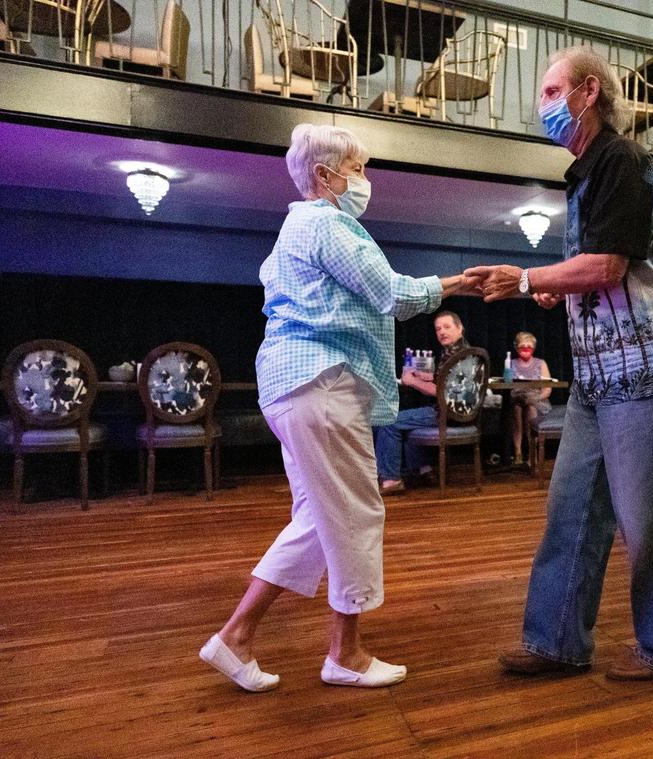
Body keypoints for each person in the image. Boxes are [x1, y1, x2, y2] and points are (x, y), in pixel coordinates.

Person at [464, 45, 653, 681]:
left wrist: (526, 279)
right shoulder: (588, 172)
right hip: (601, 377)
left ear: (588, 92)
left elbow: (609, 265)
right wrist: (552, 285)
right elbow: (597, 271)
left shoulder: (622, 159)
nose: (543, 106)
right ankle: (556, 642)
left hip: (649, 372)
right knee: (571, 509)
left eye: (551, 93)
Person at [199, 123, 469, 692]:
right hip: (320, 385)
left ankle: (236, 636)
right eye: (358, 169)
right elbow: (394, 296)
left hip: (291, 385)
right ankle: (344, 653)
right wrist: (460, 282)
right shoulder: (326, 222)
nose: (364, 181)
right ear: (325, 176)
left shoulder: (297, 228)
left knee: (317, 519)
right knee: (355, 515)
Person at [373, 310, 468, 495]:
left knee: (389, 420)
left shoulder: (457, 356)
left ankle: (391, 480)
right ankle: (423, 470)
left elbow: (444, 393)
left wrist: (413, 382)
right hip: (457, 411)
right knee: (406, 420)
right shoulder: (461, 352)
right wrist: (425, 376)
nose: (442, 332)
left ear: (460, 328)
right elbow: (447, 380)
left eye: (447, 327)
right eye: (438, 329)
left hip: (448, 413)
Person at [509, 331, 553, 465]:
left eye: (529, 346)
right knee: (516, 409)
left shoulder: (541, 363)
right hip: (518, 398)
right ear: (517, 348)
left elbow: (547, 389)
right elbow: (509, 386)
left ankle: (532, 453)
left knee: (531, 409)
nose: (526, 349)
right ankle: (518, 453)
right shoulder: (512, 363)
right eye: (523, 346)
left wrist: (535, 398)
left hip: (537, 400)